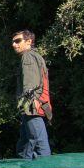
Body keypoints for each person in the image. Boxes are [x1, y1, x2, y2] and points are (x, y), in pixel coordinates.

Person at [11, 29, 52, 160]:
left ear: (28, 41)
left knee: (40, 147)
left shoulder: (28, 56)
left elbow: (31, 85)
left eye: (18, 41)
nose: (14, 44)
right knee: (24, 147)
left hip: (32, 108)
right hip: (31, 108)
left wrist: (30, 102)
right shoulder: (35, 56)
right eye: (13, 42)